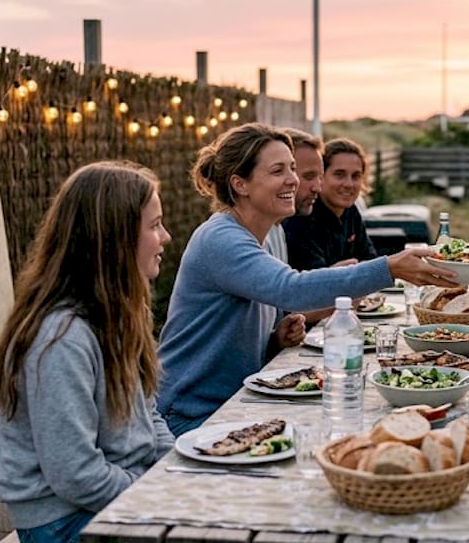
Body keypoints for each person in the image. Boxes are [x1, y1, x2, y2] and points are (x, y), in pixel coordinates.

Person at [159, 124, 452, 435]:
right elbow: (291, 288)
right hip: (195, 415)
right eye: (278, 171)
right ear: (240, 184)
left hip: (239, 403)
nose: (293, 180)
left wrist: (273, 340)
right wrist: (389, 268)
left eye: (293, 169)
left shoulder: (265, 233)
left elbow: (241, 326)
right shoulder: (220, 238)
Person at [0, 161, 176, 543]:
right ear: (114, 238)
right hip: (62, 526)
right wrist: (158, 494)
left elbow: (150, 414)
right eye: (155, 225)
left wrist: (178, 471)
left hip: (113, 496)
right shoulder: (61, 339)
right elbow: (75, 475)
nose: (165, 237)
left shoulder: (120, 312)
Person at [283, 137, 378, 270]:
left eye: (356, 176)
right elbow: (312, 278)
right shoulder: (303, 215)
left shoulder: (351, 212)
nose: (349, 184)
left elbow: (370, 260)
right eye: (339, 175)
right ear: (322, 176)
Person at [264, 128, 323, 264]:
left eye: (320, 177)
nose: (318, 188)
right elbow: (287, 283)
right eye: (308, 176)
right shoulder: (230, 237)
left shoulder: (276, 228)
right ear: (240, 184)